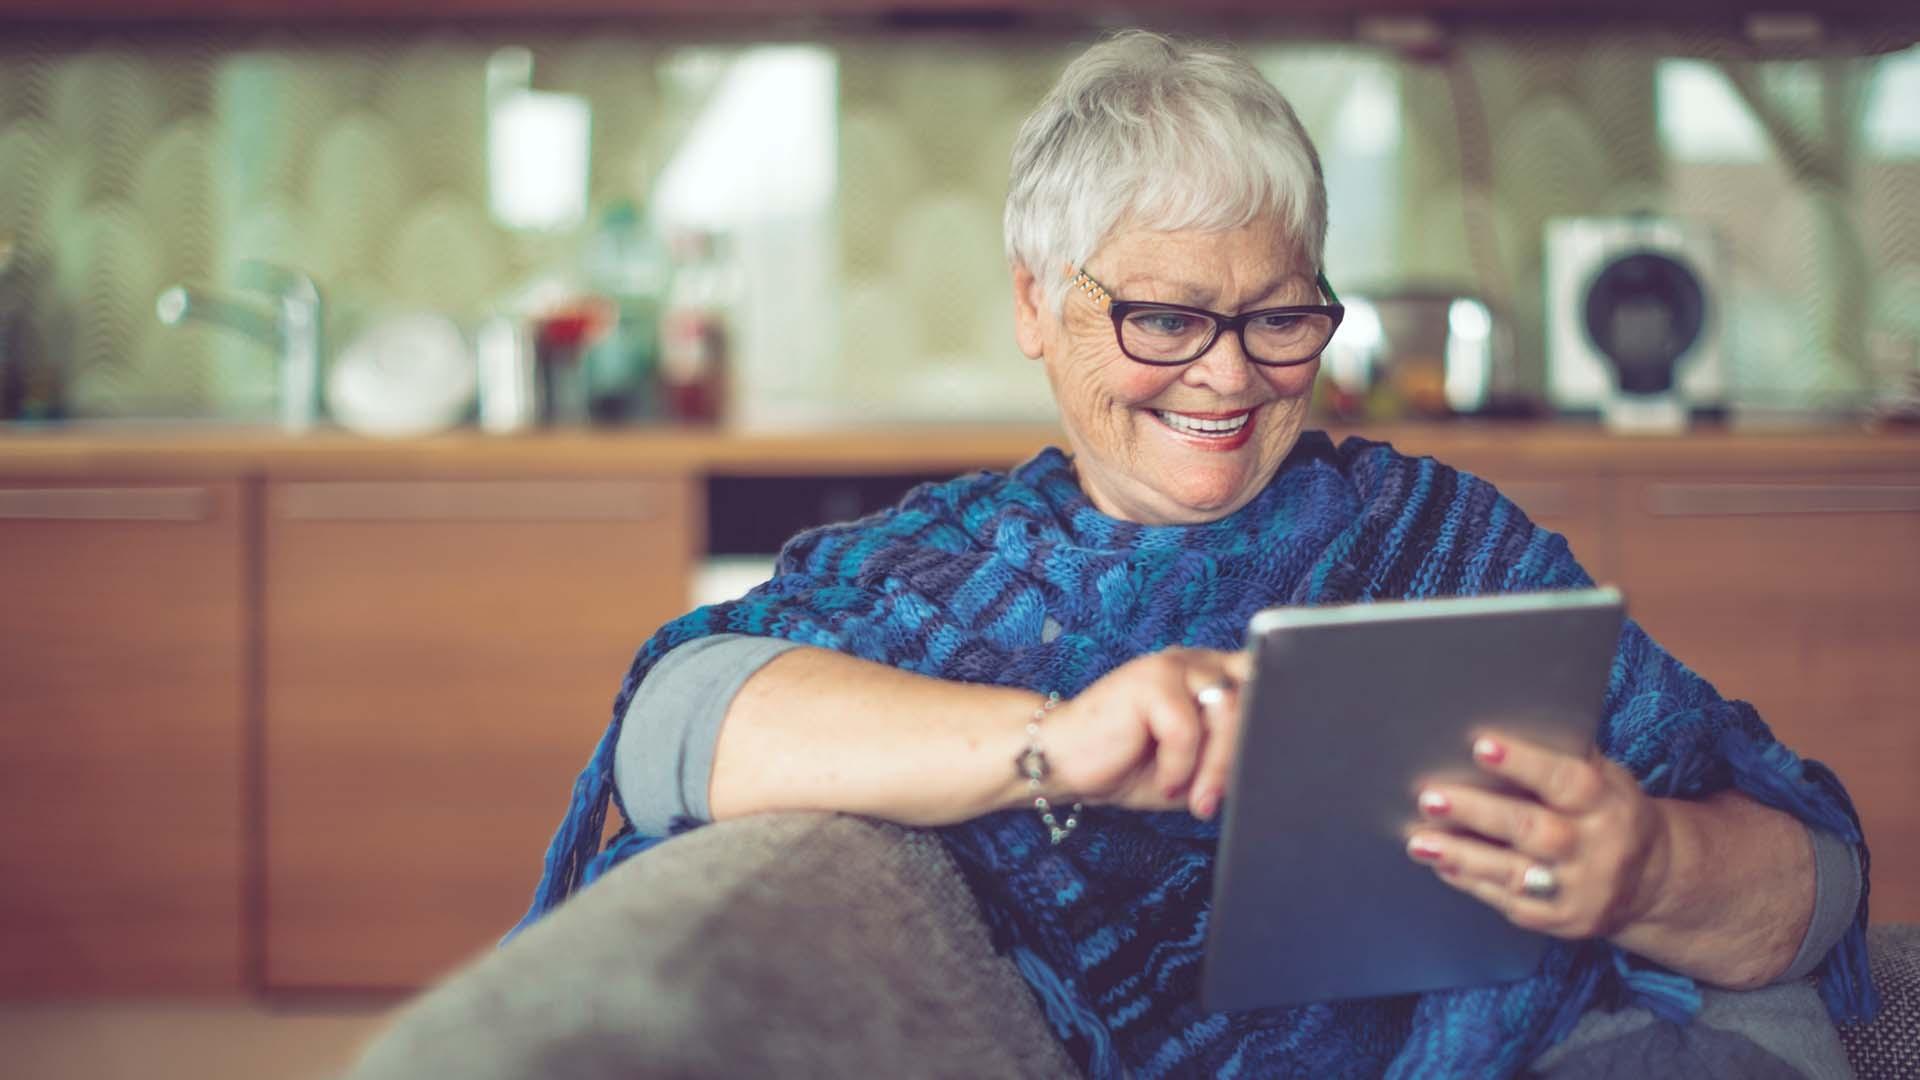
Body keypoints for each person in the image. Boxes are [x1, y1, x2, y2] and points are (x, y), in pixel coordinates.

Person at [518, 30, 1876, 1078]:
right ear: (1036, 305)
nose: (1227, 378)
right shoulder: (943, 579)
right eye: (1166, 318)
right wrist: (1052, 739)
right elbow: (672, 727)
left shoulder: (1443, 543)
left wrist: (1647, 869)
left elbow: (1811, 891)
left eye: (1280, 317)